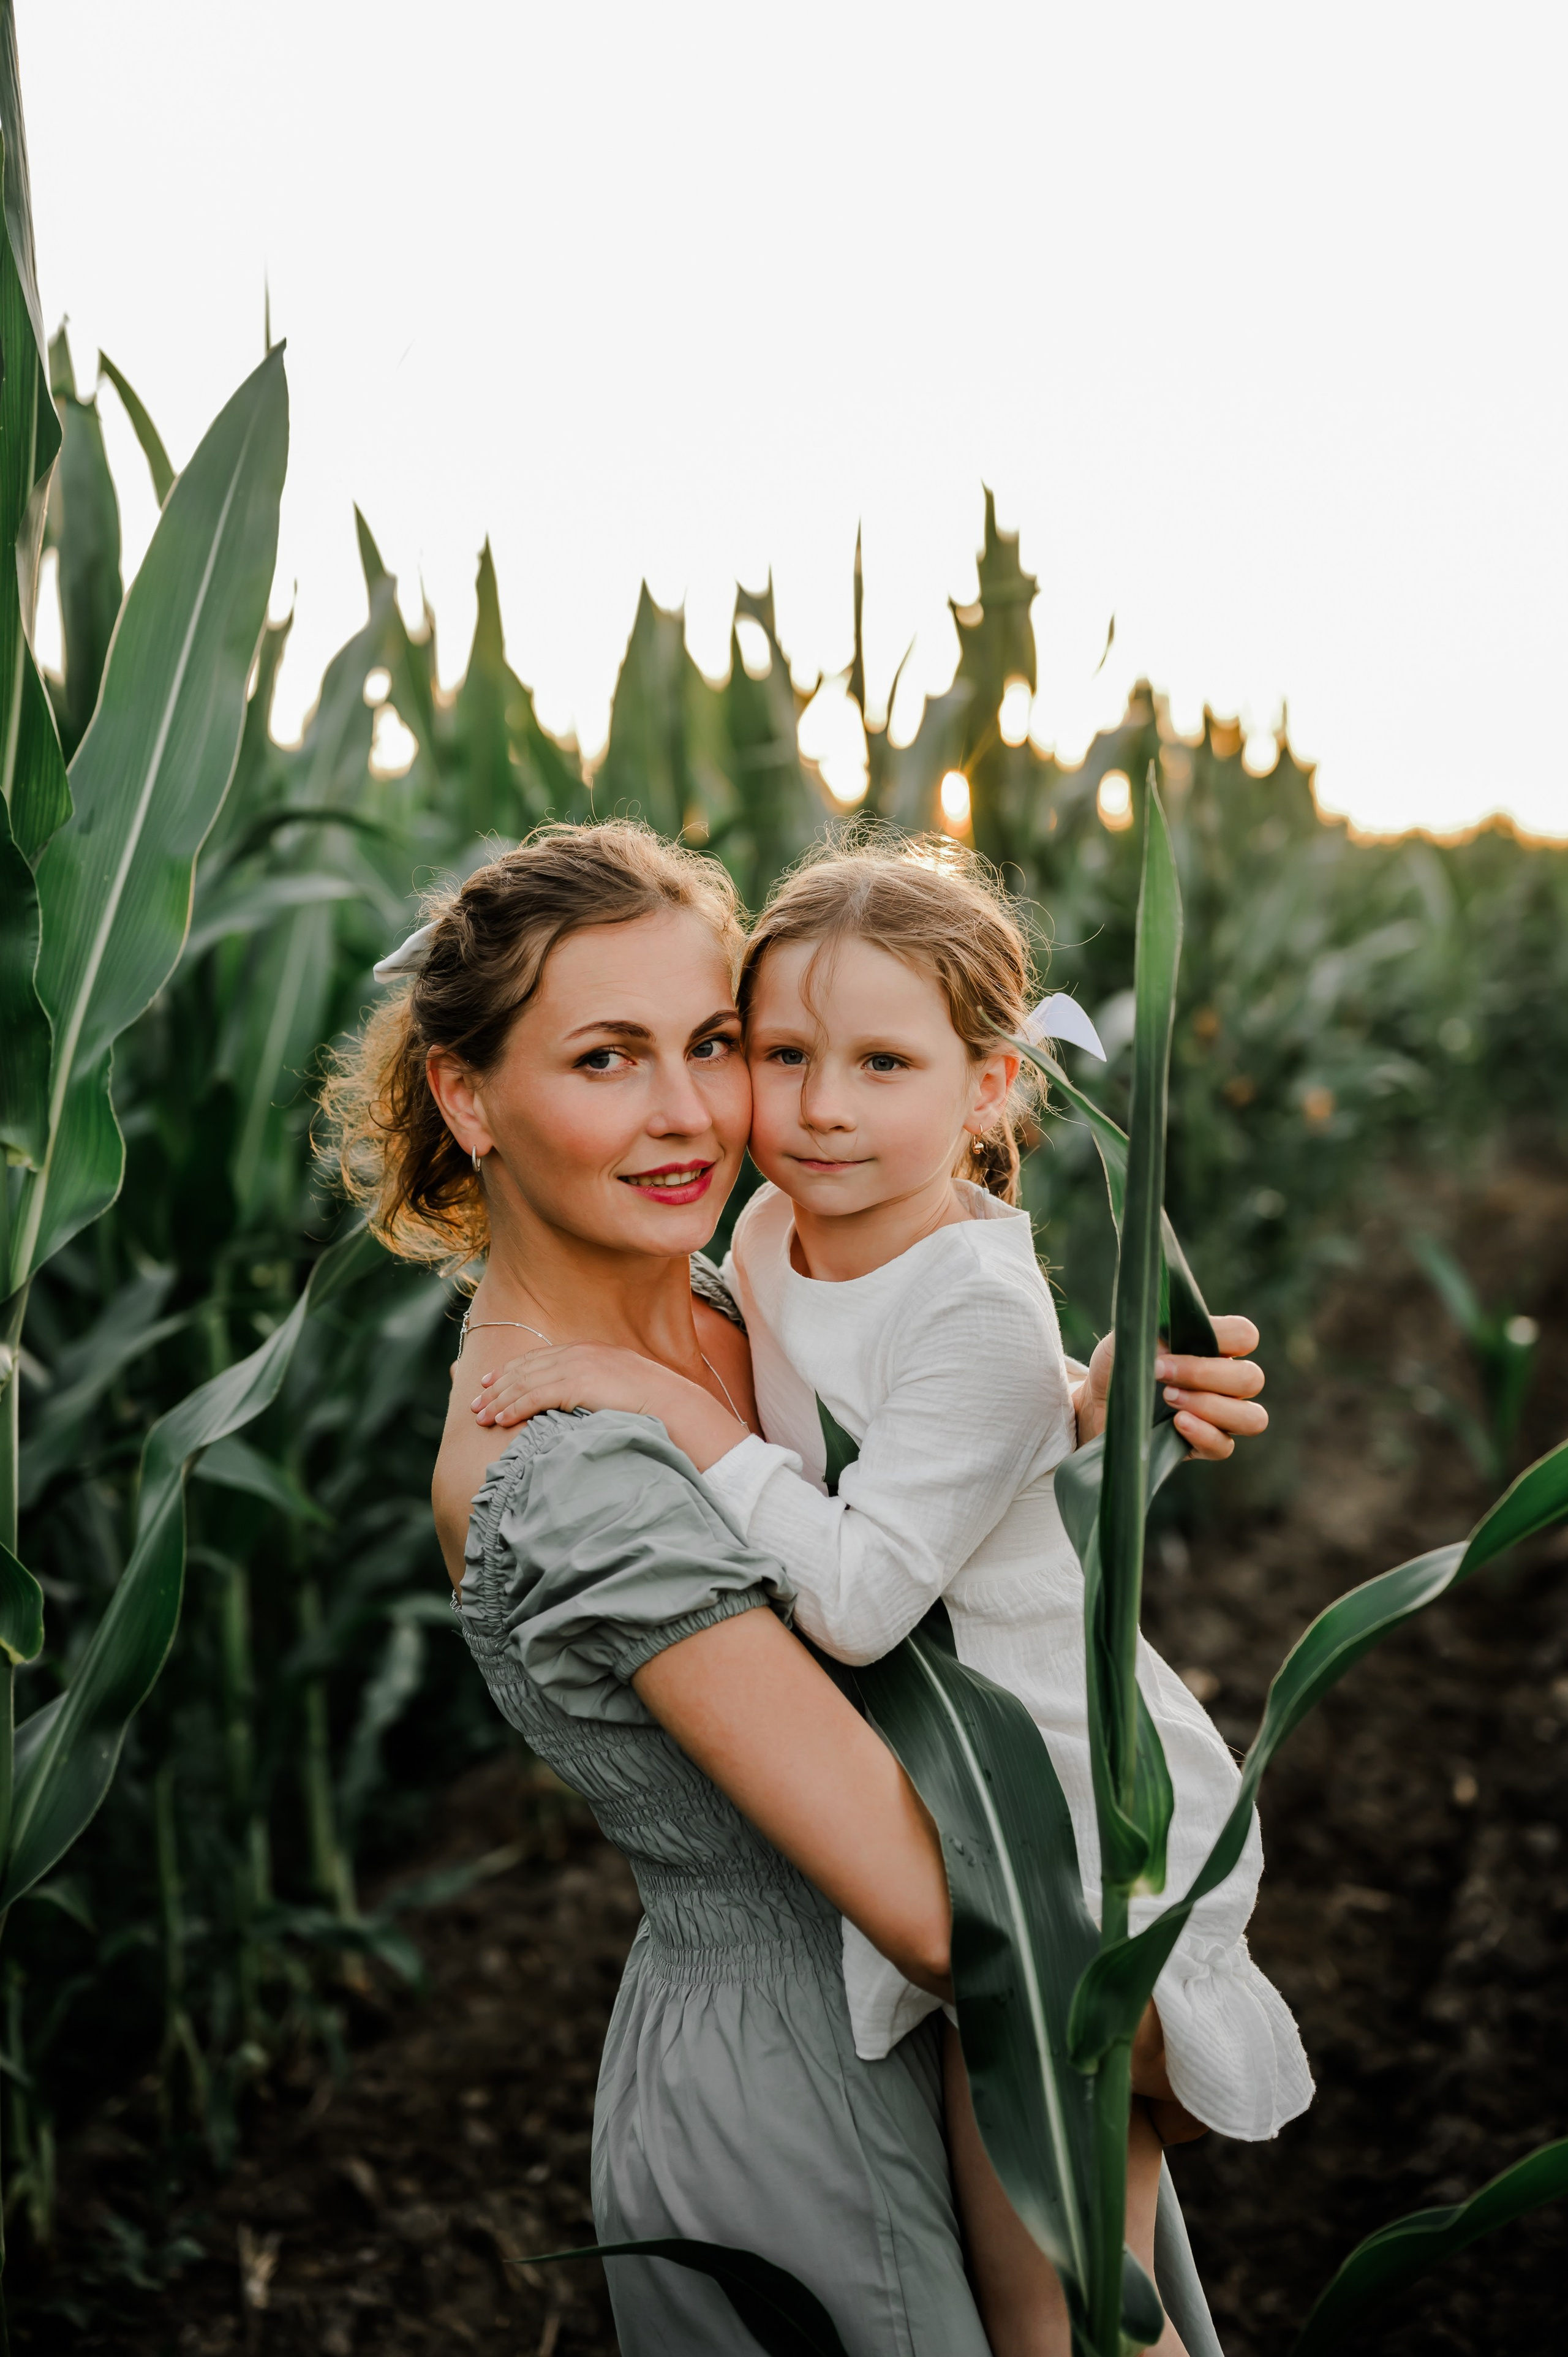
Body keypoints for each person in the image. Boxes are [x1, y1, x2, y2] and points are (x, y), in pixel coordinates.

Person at [473, 835, 1312, 2357]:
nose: (809, 1107)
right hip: (917, 1916)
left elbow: (870, 1576)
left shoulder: (786, 1293)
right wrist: (1063, 1415)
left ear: (988, 1088)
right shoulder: (758, 1245)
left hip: (1052, 1831)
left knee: (1072, 2324)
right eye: (777, 1053)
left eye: (707, 1045)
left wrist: (1051, 1419)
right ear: (467, 1098)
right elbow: (897, 1435)